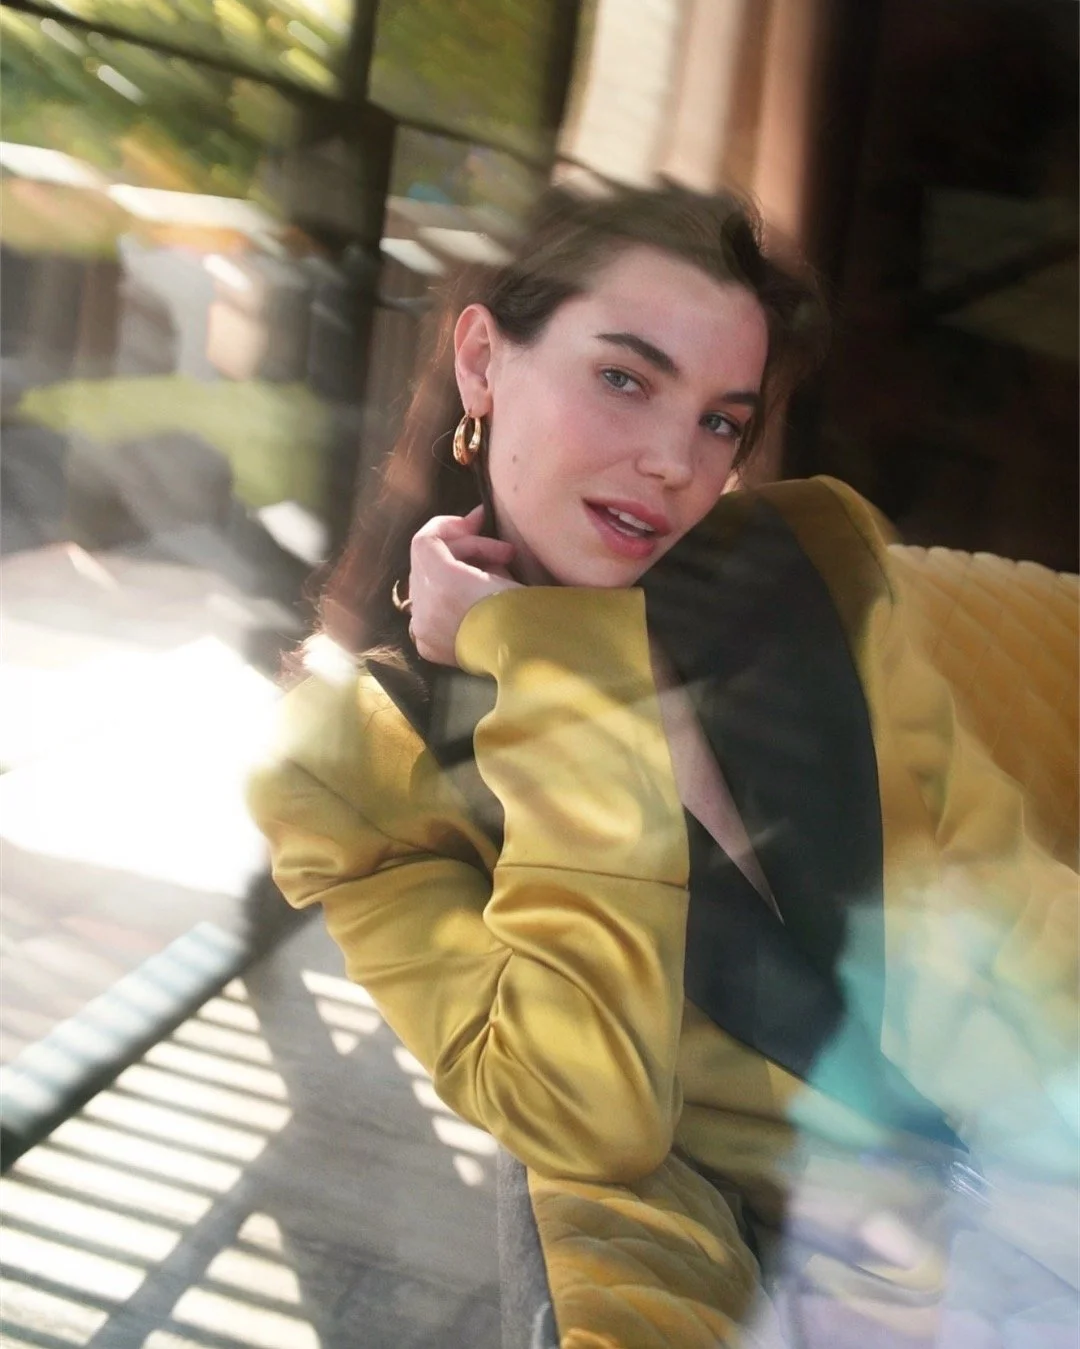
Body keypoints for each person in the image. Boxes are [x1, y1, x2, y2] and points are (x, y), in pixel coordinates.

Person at [248, 183, 1078, 1347]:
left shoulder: (803, 560)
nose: (673, 463)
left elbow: (998, 878)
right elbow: (587, 1110)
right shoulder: (356, 765)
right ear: (484, 359)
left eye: (720, 420)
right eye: (625, 379)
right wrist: (549, 675)